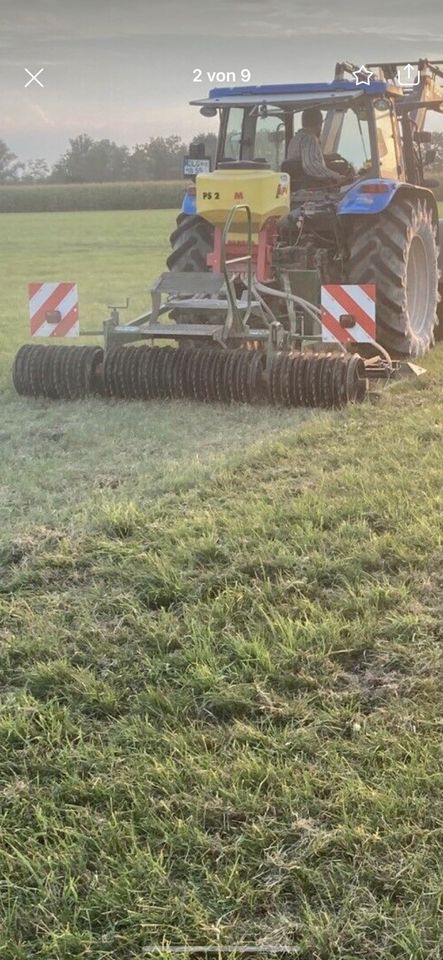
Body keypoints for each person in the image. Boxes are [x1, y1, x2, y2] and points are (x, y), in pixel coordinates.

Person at [286, 107, 346, 184]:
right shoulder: (309, 139)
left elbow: (303, 158)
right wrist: (335, 175)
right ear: (319, 124)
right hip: (310, 185)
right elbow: (310, 165)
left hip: (299, 182)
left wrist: (326, 157)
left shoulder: (295, 139)